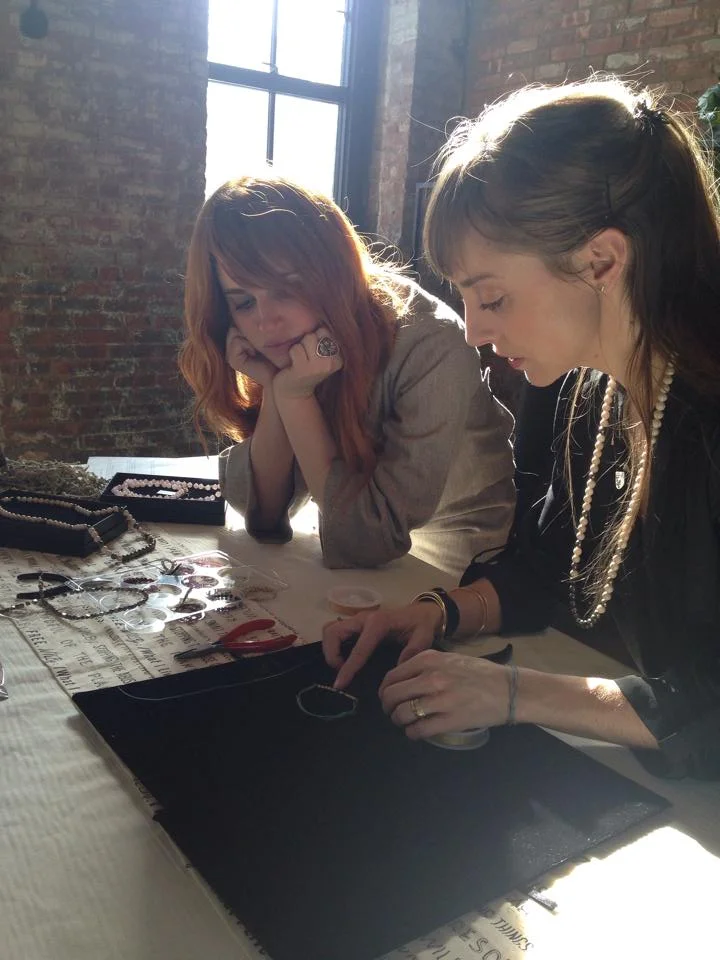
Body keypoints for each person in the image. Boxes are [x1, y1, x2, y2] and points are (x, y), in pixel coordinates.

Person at [322, 77, 720, 779]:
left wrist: (513, 691)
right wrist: (439, 613)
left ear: (601, 260)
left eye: (493, 296)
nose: (474, 330)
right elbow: (544, 568)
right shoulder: (576, 387)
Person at [179, 175, 515, 578]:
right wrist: (279, 388)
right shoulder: (303, 346)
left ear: (331, 271)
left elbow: (366, 539)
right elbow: (263, 515)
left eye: (286, 289)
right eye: (245, 302)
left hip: (460, 581)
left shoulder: (434, 345)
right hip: (364, 578)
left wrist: (297, 398)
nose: (267, 323)